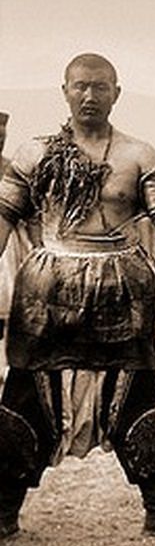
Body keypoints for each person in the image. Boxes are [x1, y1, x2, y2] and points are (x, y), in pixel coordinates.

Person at [0, 53, 155, 541]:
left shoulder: (138, 154)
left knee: (139, 388)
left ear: (117, 92)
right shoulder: (34, 153)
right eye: (81, 86)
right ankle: (3, 511)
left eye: (100, 87)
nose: (90, 96)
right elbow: (3, 219)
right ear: (65, 91)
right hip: (47, 290)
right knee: (27, 393)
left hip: (122, 293)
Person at [0, 113, 34, 370]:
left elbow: (31, 212)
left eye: (2, 138)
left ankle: (11, 366)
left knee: (12, 307)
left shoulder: (12, 169)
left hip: (11, 244)